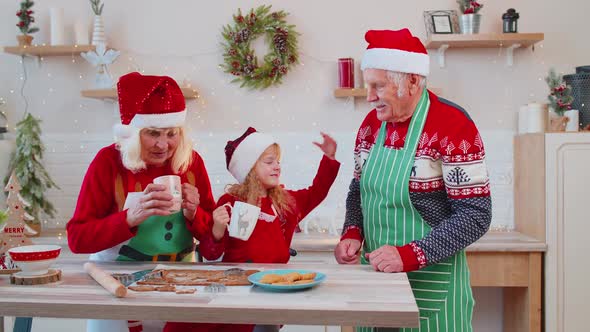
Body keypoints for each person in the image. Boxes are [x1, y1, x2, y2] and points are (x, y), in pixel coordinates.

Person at [334, 29, 492, 332]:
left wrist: (409, 255)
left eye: (378, 86)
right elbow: (359, 189)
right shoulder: (371, 125)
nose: (369, 97)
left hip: (432, 285)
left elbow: (475, 215)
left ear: (412, 81)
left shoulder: (453, 125)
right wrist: (352, 231)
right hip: (377, 283)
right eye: (368, 86)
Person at [67, 72, 216, 332]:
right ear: (133, 133)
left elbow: (214, 239)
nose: (163, 144)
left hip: (179, 286)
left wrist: (195, 215)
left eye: (172, 133)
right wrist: (129, 218)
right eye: (153, 133)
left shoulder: (191, 163)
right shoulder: (108, 162)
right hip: (116, 288)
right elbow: (77, 239)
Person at [164, 127, 340, 332]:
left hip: (271, 292)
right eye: (269, 162)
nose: (277, 167)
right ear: (249, 168)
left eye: (277, 161)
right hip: (236, 293)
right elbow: (210, 253)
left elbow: (316, 192)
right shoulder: (230, 201)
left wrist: (329, 158)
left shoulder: (286, 203)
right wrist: (217, 230)